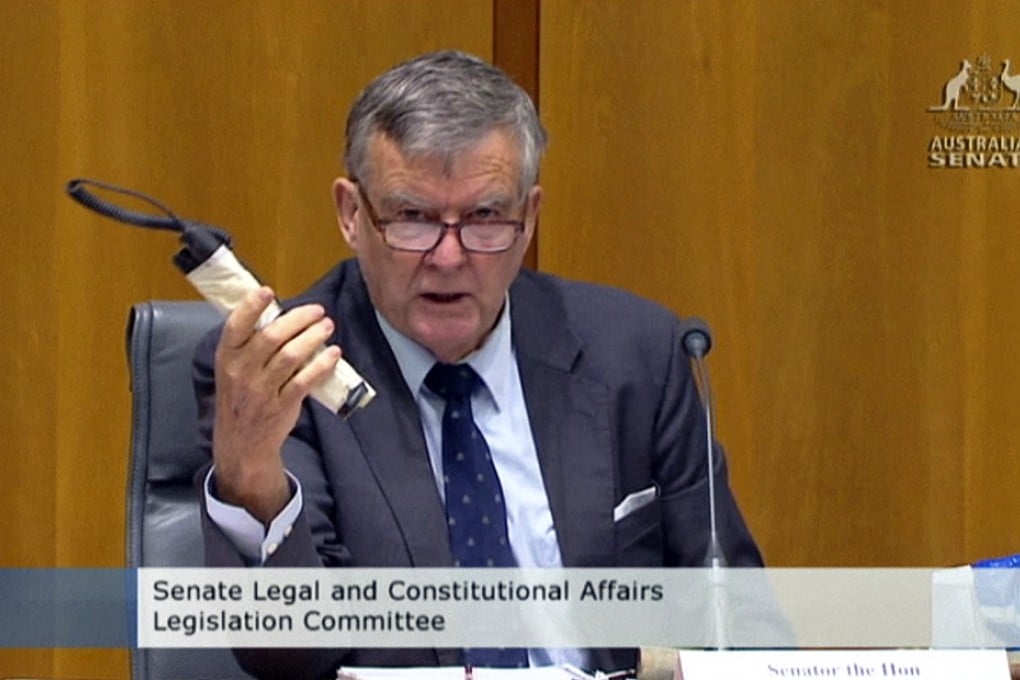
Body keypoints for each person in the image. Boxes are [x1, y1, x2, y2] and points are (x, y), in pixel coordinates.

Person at [196, 50, 763, 678]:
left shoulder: (636, 353)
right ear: (352, 215)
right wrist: (249, 475)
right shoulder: (288, 378)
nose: (448, 256)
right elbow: (290, 655)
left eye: (485, 217)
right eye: (412, 218)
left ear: (529, 219)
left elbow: (737, 624)